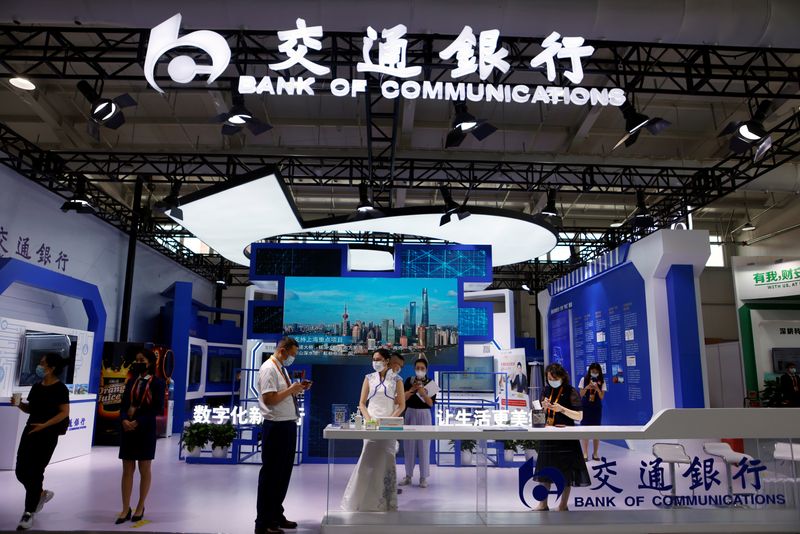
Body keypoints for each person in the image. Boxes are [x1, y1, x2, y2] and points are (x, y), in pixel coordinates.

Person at [255, 337, 310, 534]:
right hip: (276, 427)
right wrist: (291, 390)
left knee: (283, 475)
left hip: (287, 425)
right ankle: (263, 522)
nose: (293, 358)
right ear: (283, 351)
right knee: (271, 475)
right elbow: (269, 399)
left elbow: (282, 395)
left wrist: (297, 389)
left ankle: (276, 515)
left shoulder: (281, 368)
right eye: (292, 354)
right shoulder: (269, 368)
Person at [11, 353, 70, 531]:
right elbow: (31, 409)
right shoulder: (36, 387)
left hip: (47, 434)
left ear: (51, 368)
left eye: (42, 363)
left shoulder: (61, 389)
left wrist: (44, 425)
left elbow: (64, 412)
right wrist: (19, 404)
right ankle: (40, 494)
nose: (39, 365)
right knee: (21, 470)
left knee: (36, 471)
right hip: (30, 431)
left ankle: (28, 513)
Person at [342, 349, 406, 511]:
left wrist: (388, 421)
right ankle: (360, 502)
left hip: (389, 426)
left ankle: (385, 503)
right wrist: (369, 419)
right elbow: (362, 403)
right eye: (373, 359)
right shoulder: (368, 378)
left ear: (386, 361)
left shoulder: (397, 380)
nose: (375, 362)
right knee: (367, 460)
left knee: (387, 461)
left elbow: (401, 405)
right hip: (370, 425)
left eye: (378, 359)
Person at [532, 363, 590, 512]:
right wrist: (542, 408)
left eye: (554, 378)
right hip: (548, 436)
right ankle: (542, 504)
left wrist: (562, 409)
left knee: (566, 472)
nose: (552, 380)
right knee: (545, 471)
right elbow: (538, 416)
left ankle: (563, 505)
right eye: (549, 378)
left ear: (562, 377)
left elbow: (579, 416)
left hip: (566, 438)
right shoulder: (546, 390)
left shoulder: (571, 392)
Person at [117, 349, 166, 524]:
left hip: (144, 429)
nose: (138, 363)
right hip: (128, 430)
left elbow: (158, 408)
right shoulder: (131, 382)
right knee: (127, 469)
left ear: (150, 362)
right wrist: (124, 419)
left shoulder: (158, 383)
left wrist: (138, 421)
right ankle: (125, 508)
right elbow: (123, 405)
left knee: (144, 469)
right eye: (136, 359)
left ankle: (140, 505)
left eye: (141, 360)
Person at [400, 358, 437, 488]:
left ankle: (423, 477)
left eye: (422, 368)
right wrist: (412, 390)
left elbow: (431, 403)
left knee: (424, 446)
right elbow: (402, 398)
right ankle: (408, 476)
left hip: (424, 414)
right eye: (417, 368)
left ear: (426, 370)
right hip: (410, 413)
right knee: (408, 445)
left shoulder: (431, 383)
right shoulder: (409, 381)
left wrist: (422, 393)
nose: (419, 370)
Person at [578, 363, 607, 461]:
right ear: (589, 371)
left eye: (596, 371)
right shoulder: (584, 380)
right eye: (592, 371)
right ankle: (585, 453)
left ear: (599, 372)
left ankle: (595, 453)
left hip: (596, 408)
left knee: (596, 431)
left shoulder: (602, 381)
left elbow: (602, 396)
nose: (594, 373)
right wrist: (587, 387)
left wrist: (597, 389)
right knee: (585, 429)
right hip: (586, 406)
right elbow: (581, 394)